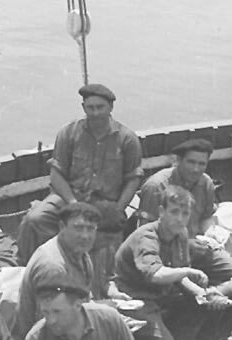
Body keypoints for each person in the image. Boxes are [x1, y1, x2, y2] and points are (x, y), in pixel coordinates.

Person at [113, 185, 230, 340]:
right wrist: (186, 272)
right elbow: (155, 274)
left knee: (205, 305)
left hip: (163, 293)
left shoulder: (180, 235)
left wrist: (201, 294)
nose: (179, 218)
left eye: (185, 213)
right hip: (133, 297)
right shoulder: (146, 237)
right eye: (174, 212)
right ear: (161, 211)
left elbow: (178, 276)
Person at [16, 83, 143, 271]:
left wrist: (119, 208)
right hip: (68, 198)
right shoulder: (68, 133)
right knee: (34, 220)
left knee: (108, 233)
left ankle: (102, 275)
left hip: (106, 203)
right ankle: (25, 269)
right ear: (83, 108)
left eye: (100, 107)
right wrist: (73, 204)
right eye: (90, 108)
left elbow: (133, 178)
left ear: (110, 108)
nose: (95, 113)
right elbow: (57, 174)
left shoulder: (127, 138)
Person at [138, 138, 232, 286]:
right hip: (165, 251)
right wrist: (185, 244)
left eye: (201, 164)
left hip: (197, 247)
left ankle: (206, 288)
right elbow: (145, 233)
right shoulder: (156, 186)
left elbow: (206, 218)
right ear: (178, 160)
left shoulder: (206, 183)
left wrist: (210, 235)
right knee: (173, 285)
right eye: (191, 162)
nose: (196, 169)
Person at [14, 201, 102, 340]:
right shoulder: (54, 268)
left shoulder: (79, 253)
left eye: (91, 229)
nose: (85, 236)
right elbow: (49, 324)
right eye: (78, 228)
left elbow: (85, 300)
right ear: (62, 227)